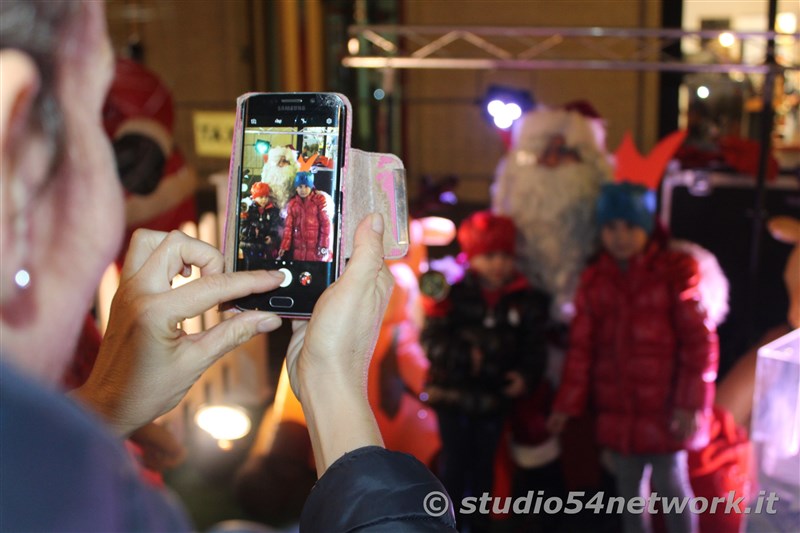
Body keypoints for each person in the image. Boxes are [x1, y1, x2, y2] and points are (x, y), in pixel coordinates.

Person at [0, 2, 455, 531]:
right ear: (16, 145)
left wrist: (105, 405)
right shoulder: (105, 509)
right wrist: (334, 384)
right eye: (94, 117)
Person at [547, 182, 719, 533]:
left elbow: (699, 344)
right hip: (619, 410)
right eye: (611, 227)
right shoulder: (596, 282)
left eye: (630, 226)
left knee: (671, 485)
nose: (620, 236)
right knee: (628, 491)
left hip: (666, 411)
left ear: (647, 227)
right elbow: (581, 350)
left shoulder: (673, 275)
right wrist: (566, 404)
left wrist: (689, 403)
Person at [421, 211, 550, 533]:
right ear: (473, 257)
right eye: (488, 256)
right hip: (453, 394)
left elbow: (534, 348)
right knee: (453, 465)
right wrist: (465, 357)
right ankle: (447, 523)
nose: (497, 264)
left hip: (495, 397)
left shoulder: (526, 301)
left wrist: (525, 376)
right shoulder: (454, 293)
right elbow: (432, 339)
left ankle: (477, 523)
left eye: (504, 256)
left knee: (483, 468)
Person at [278, 171, 331, 261]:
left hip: (315, 249)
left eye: (306, 186)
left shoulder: (318, 201)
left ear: (311, 187)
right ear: (296, 188)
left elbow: (325, 224)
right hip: (298, 249)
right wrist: (284, 246)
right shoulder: (293, 204)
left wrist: (323, 245)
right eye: (300, 187)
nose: (303, 190)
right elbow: (288, 227)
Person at [239, 181, 282, 268]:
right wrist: (253, 232)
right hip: (249, 245)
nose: (264, 200)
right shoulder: (248, 209)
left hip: (264, 246)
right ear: (254, 197)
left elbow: (274, 226)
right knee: (250, 266)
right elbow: (242, 226)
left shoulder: (272, 211)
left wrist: (271, 236)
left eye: (266, 197)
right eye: (261, 197)